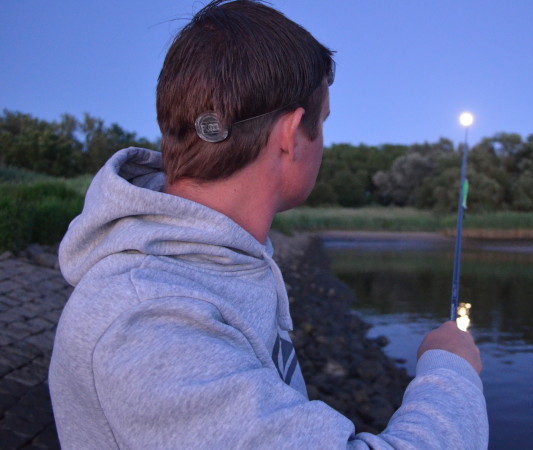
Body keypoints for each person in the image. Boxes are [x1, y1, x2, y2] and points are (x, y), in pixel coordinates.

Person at [48, 1, 488, 448]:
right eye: (325, 122)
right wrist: (450, 367)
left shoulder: (219, 262)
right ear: (291, 134)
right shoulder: (146, 324)